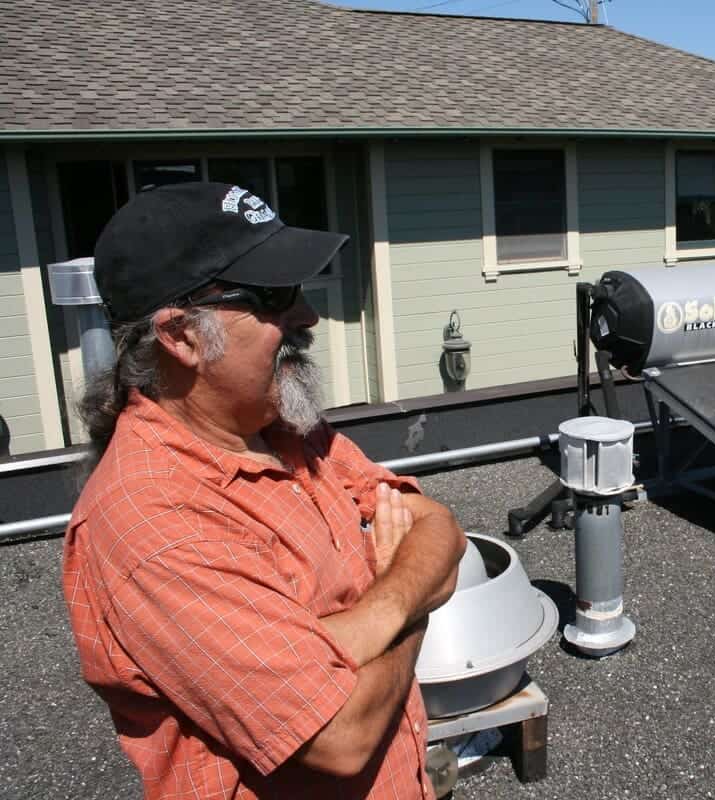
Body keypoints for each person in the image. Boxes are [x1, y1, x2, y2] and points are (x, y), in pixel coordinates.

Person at [62, 182, 466, 800]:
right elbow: (340, 736)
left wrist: (372, 617)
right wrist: (411, 599)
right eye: (275, 298)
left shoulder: (284, 427)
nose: (308, 316)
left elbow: (440, 526)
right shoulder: (155, 523)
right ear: (181, 336)